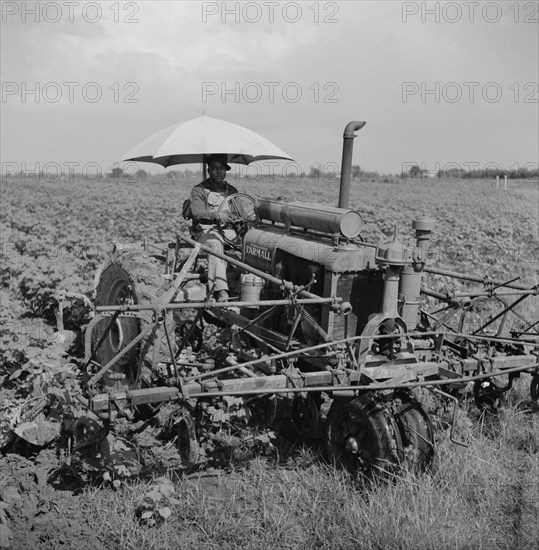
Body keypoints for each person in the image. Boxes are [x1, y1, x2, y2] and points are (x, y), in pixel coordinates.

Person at [189, 155, 239, 302]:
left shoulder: (232, 191)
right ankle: (220, 290)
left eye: (222, 168)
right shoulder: (199, 190)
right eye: (215, 168)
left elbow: (240, 212)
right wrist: (217, 215)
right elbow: (196, 212)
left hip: (227, 230)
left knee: (248, 246)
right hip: (205, 229)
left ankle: (244, 285)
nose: (219, 172)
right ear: (209, 170)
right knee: (215, 245)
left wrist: (237, 218)